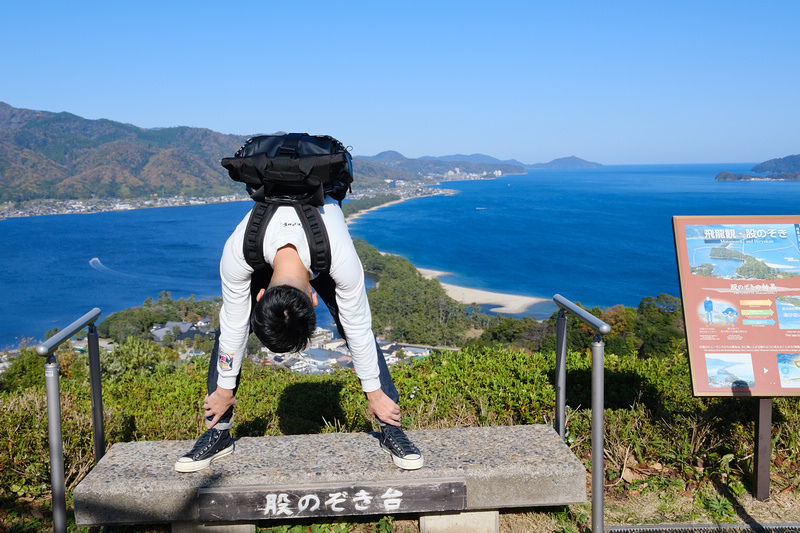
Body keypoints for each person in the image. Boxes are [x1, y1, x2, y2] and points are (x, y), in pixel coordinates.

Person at [174, 193, 423, 472]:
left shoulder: (341, 258)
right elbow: (234, 327)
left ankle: (391, 427)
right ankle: (217, 433)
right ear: (260, 296)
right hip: (268, 250)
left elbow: (359, 330)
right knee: (229, 327)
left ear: (259, 295)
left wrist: (374, 393)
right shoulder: (238, 253)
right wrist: (222, 391)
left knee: (351, 323)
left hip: (320, 249)